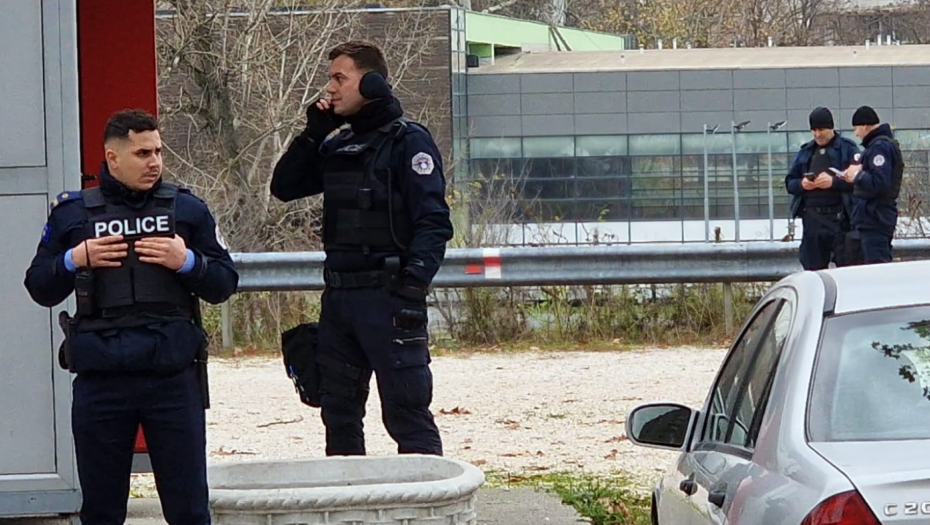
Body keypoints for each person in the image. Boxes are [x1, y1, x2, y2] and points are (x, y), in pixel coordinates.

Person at [23, 109, 239, 525]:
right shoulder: (73, 214)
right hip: (102, 379)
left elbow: (225, 283)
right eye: (142, 153)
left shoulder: (186, 210)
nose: (154, 162)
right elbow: (39, 286)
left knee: (189, 509)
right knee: (102, 510)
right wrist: (73, 259)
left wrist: (188, 261)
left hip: (171, 377)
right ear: (113, 157)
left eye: (158, 151)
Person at [271, 40, 453, 456]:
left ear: (371, 83)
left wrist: (412, 288)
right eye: (330, 79)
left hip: (389, 298)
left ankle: (425, 495)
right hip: (340, 302)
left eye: (340, 78)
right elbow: (284, 187)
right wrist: (313, 134)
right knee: (338, 415)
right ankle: (350, 496)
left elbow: (433, 223)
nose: (330, 88)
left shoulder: (408, 143)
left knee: (406, 414)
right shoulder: (338, 144)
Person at [785, 107, 861, 270]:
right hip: (812, 220)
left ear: (831, 128)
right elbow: (790, 183)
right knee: (813, 271)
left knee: (847, 269)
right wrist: (802, 184)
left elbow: (860, 181)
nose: (818, 134)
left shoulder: (847, 148)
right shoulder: (806, 151)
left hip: (841, 220)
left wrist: (834, 182)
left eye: (821, 130)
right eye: (814, 130)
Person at [841, 105, 903, 264]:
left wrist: (857, 175)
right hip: (873, 216)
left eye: (856, 128)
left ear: (864, 126)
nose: (856, 133)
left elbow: (880, 182)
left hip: (876, 216)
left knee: (877, 265)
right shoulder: (877, 146)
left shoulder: (879, 147)